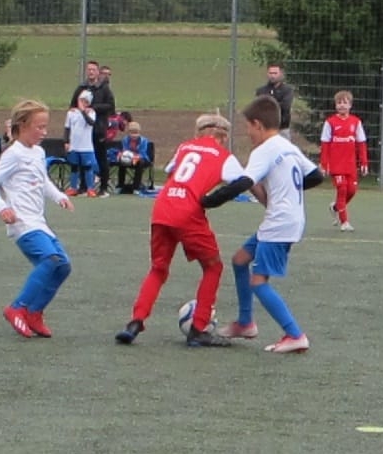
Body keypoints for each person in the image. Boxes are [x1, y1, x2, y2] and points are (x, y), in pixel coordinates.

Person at [202, 95, 325, 353]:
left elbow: (243, 183)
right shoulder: (287, 146)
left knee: (258, 282)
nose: (248, 133)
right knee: (240, 260)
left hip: (279, 224)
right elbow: (316, 175)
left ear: (257, 124)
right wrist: (286, 191)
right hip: (288, 219)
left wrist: (207, 202)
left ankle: (295, 335)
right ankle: (245, 323)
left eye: (248, 126)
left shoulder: (264, 150)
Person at [116, 113, 243, 347]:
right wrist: (213, 199)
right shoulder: (224, 155)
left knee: (158, 268)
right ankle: (199, 328)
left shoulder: (185, 147)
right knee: (213, 267)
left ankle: (135, 322)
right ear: (222, 136)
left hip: (163, 207)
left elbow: (171, 170)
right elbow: (243, 181)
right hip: (188, 211)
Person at [0, 99, 76, 339]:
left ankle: (34, 313)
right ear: (23, 125)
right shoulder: (13, 154)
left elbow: (43, 180)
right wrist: (2, 208)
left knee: (63, 266)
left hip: (39, 222)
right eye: (40, 127)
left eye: (45, 127)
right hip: (22, 223)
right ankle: (17, 307)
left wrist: (59, 196)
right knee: (50, 259)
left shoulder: (38, 152)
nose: (44, 132)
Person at [319, 90, 370, 232]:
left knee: (351, 191)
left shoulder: (356, 122)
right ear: (335, 105)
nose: (342, 105)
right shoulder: (330, 122)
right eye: (339, 103)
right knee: (342, 189)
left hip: (350, 165)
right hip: (336, 165)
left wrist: (364, 162)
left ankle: (336, 207)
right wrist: (324, 164)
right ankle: (344, 222)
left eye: (345, 103)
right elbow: (325, 144)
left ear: (350, 105)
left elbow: (361, 143)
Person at [69, 60, 115, 193]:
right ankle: (83, 187)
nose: (91, 72)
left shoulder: (104, 89)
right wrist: (74, 110)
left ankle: (103, 187)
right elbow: (73, 105)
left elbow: (110, 107)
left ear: (98, 72)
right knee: (83, 158)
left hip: (98, 129)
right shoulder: (81, 88)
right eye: (89, 69)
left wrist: (93, 108)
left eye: (93, 70)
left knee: (101, 157)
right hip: (82, 132)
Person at [63, 90, 99, 195]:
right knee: (74, 167)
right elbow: (67, 128)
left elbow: (91, 122)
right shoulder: (71, 113)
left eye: (86, 101)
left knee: (88, 167)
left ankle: (90, 188)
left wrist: (83, 112)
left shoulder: (91, 113)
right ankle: (73, 187)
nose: (83, 103)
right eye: (81, 100)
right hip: (74, 145)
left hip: (86, 146)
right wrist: (66, 141)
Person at [254, 63, 294, 137]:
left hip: (282, 128)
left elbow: (285, 106)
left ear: (280, 74)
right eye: (270, 73)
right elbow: (258, 107)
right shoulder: (261, 91)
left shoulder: (287, 90)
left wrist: (268, 105)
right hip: (266, 129)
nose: (272, 76)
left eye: (275, 73)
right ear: (267, 74)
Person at [114, 121, 153, 195]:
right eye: (132, 133)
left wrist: (136, 157)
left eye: (136, 133)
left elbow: (142, 153)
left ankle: (136, 187)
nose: (134, 135)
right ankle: (120, 186)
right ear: (128, 133)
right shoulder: (125, 140)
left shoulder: (144, 140)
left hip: (142, 158)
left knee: (140, 163)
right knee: (121, 162)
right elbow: (125, 150)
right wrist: (123, 155)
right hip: (129, 158)